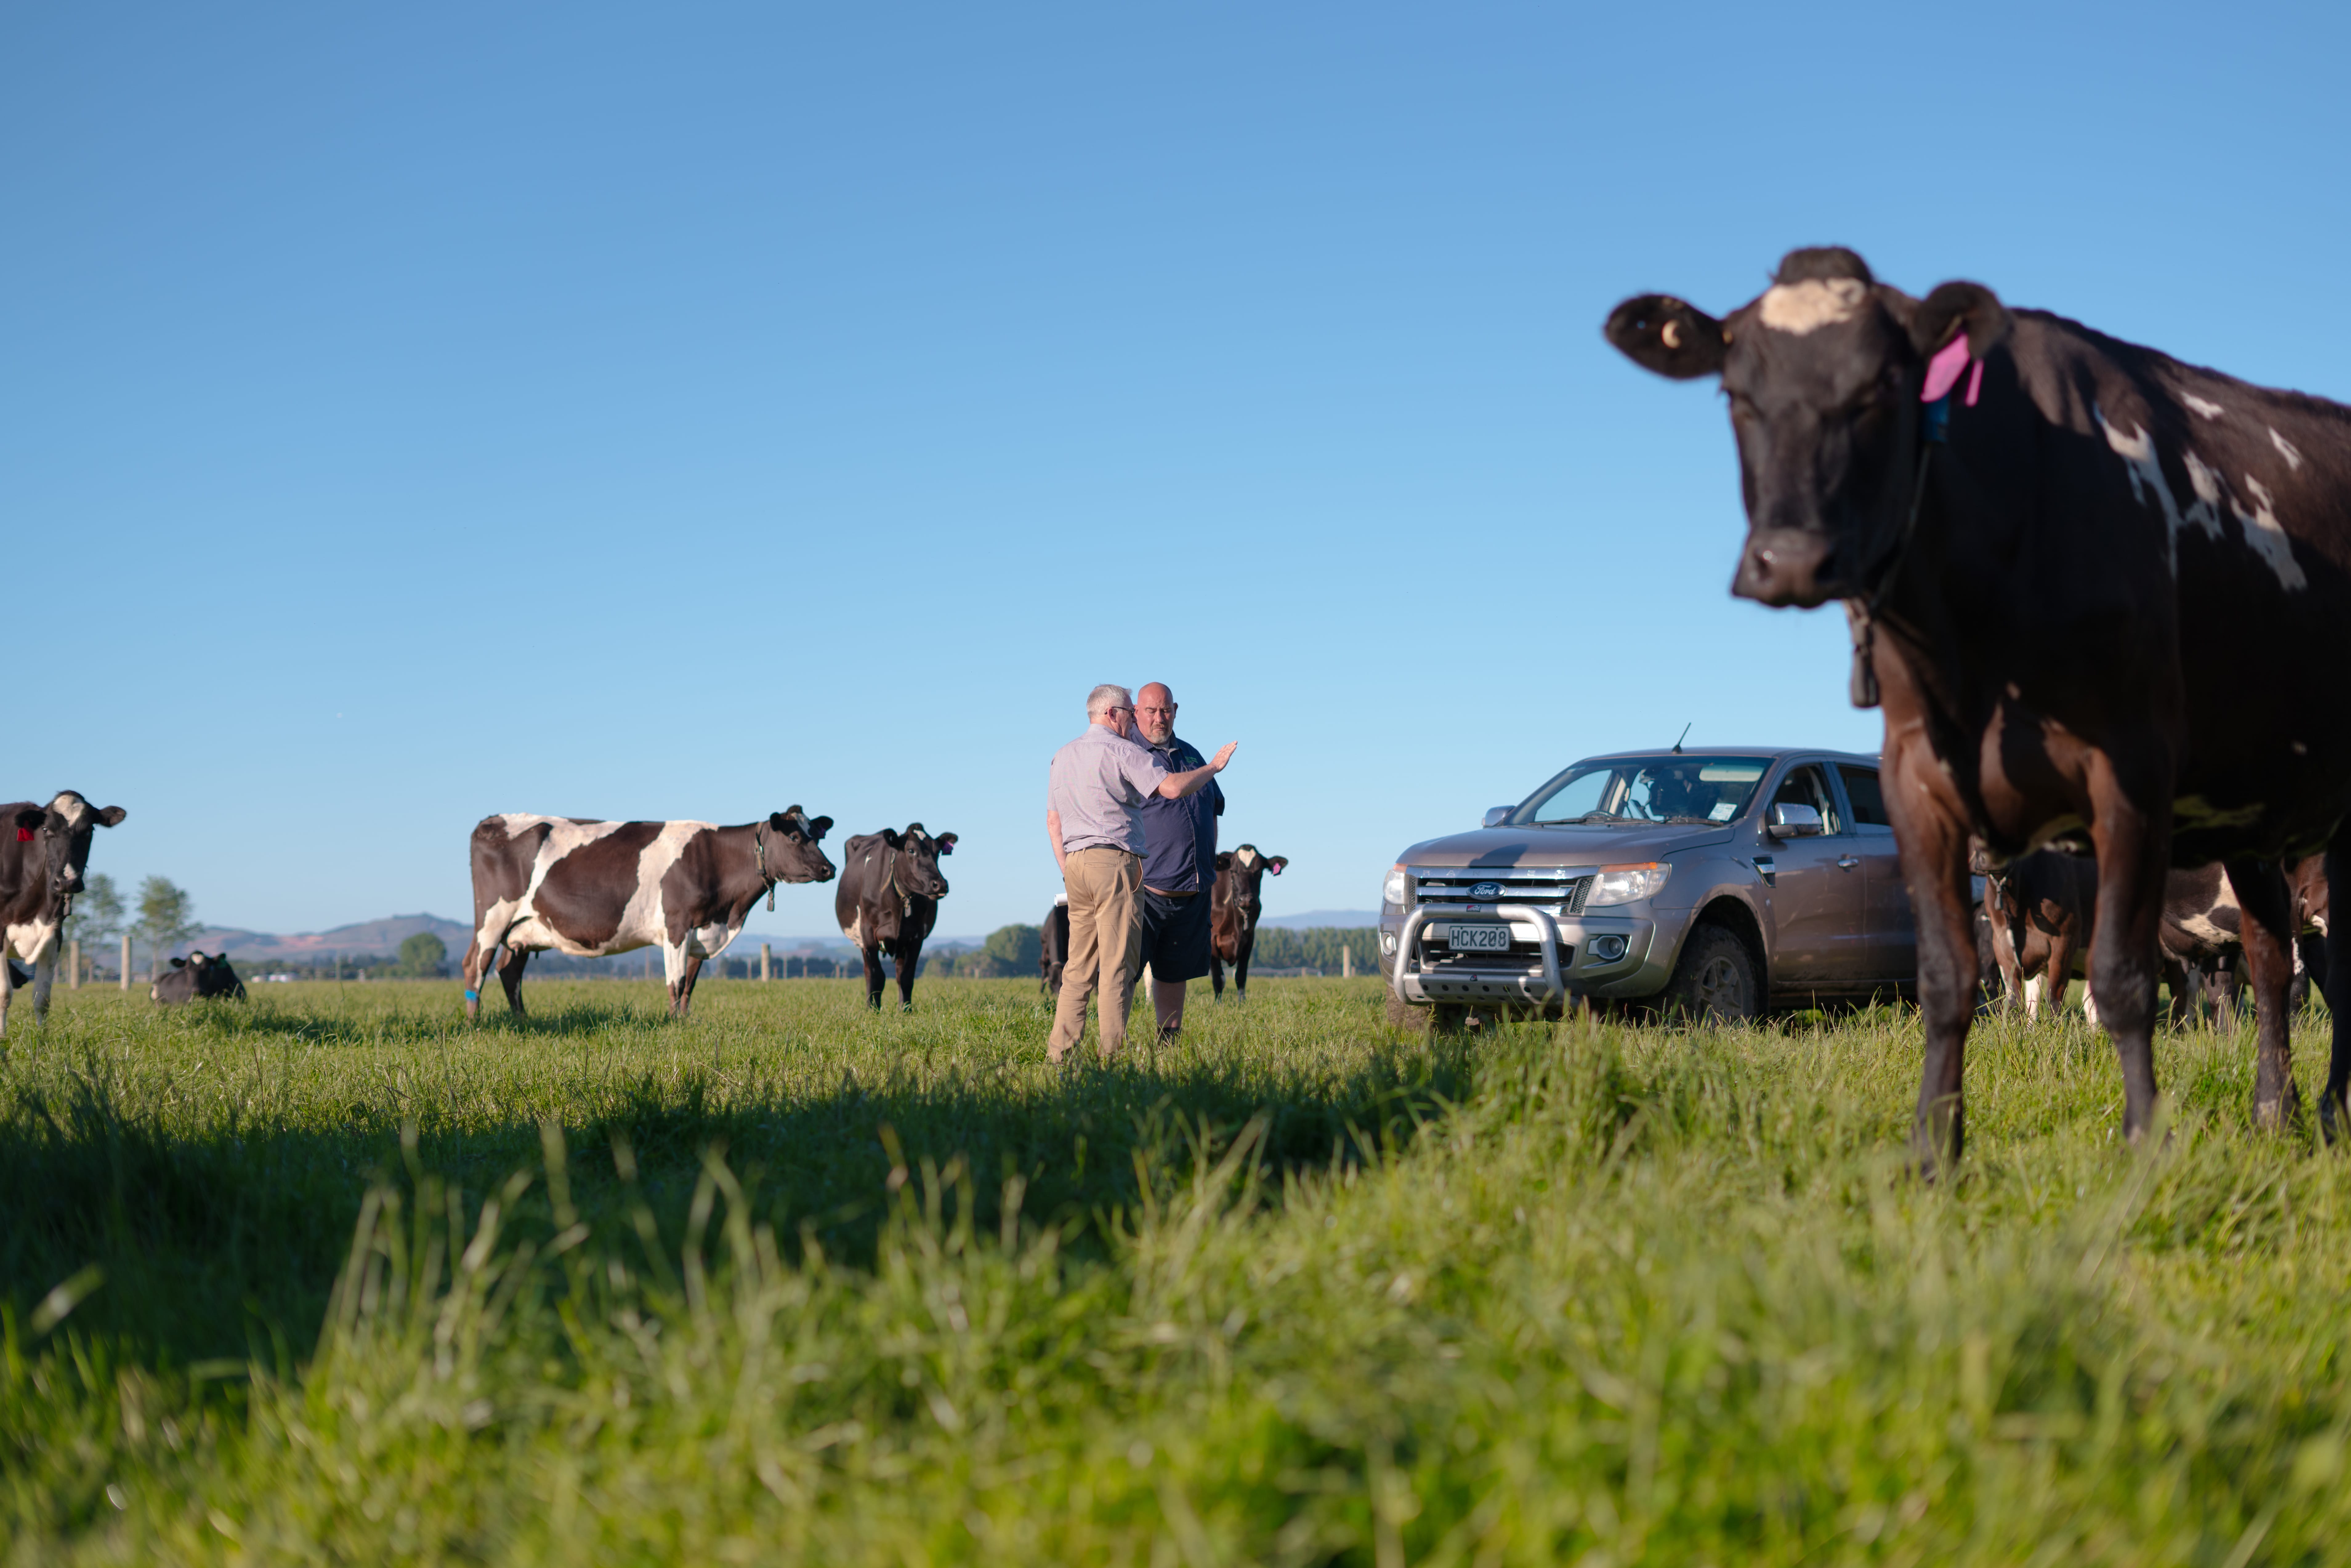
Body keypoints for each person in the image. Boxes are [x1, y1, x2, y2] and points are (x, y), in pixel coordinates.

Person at [1045, 684, 1235, 1063]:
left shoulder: (1063, 755)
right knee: (1118, 967)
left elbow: (1053, 821)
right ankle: (1112, 1058)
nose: (1136, 719)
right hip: (1117, 865)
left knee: (1079, 968)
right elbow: (1170, 788)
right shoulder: (1123, 749)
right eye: (1133, 712)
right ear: (1114, 713)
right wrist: (1213, 766)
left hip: (1079, 865)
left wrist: (1069, 870)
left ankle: (1060, 1055)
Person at [1122, 682, 1221, 1041]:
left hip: (1192, 890)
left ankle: (1169, 1045)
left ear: (1176, 710)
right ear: (1136, 712)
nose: (1159, 718)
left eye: (1165, 710)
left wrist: (1206, 867)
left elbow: (1214, 810)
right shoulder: (1127, 753)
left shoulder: (1192, 755)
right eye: (1151, 711)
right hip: (1144, 890)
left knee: (1174, 972)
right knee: (1126, 972)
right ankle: (1114, 1044)